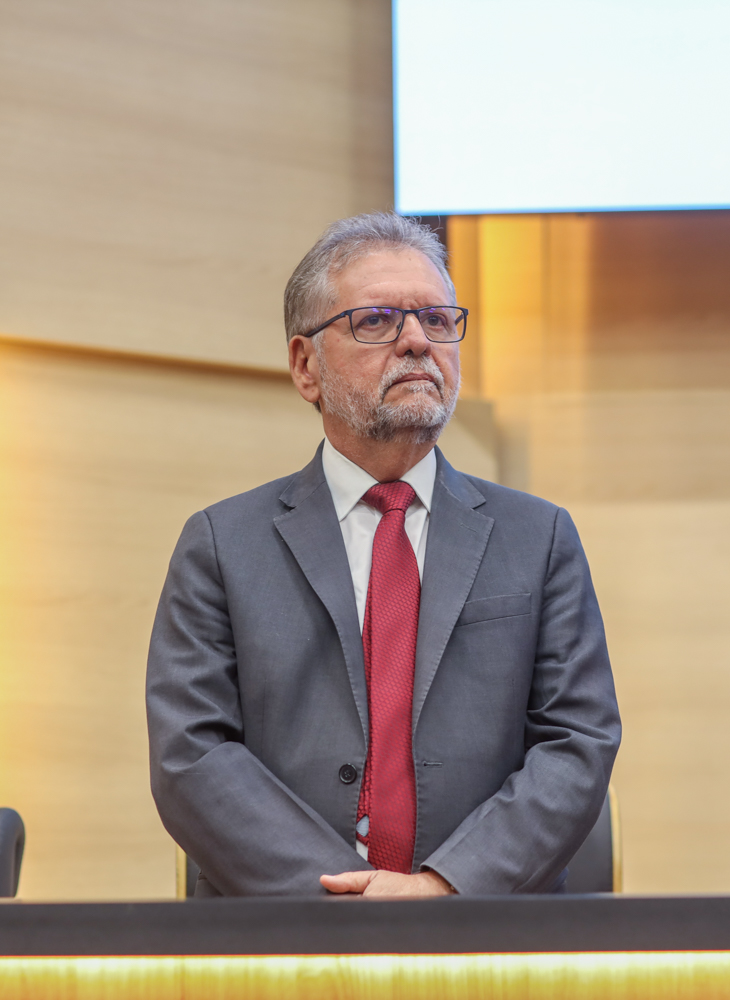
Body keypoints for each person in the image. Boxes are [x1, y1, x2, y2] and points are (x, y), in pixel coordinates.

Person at [146, 212, 620, 897]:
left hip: (482, 933)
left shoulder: (539, 538)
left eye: (437, 319)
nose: (418, 342)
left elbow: (577, 742)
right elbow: (192, 755)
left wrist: (445, 888)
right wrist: (345, 898)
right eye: (377, 321)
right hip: (289, 936)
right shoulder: (222, 544)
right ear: (305, 366)